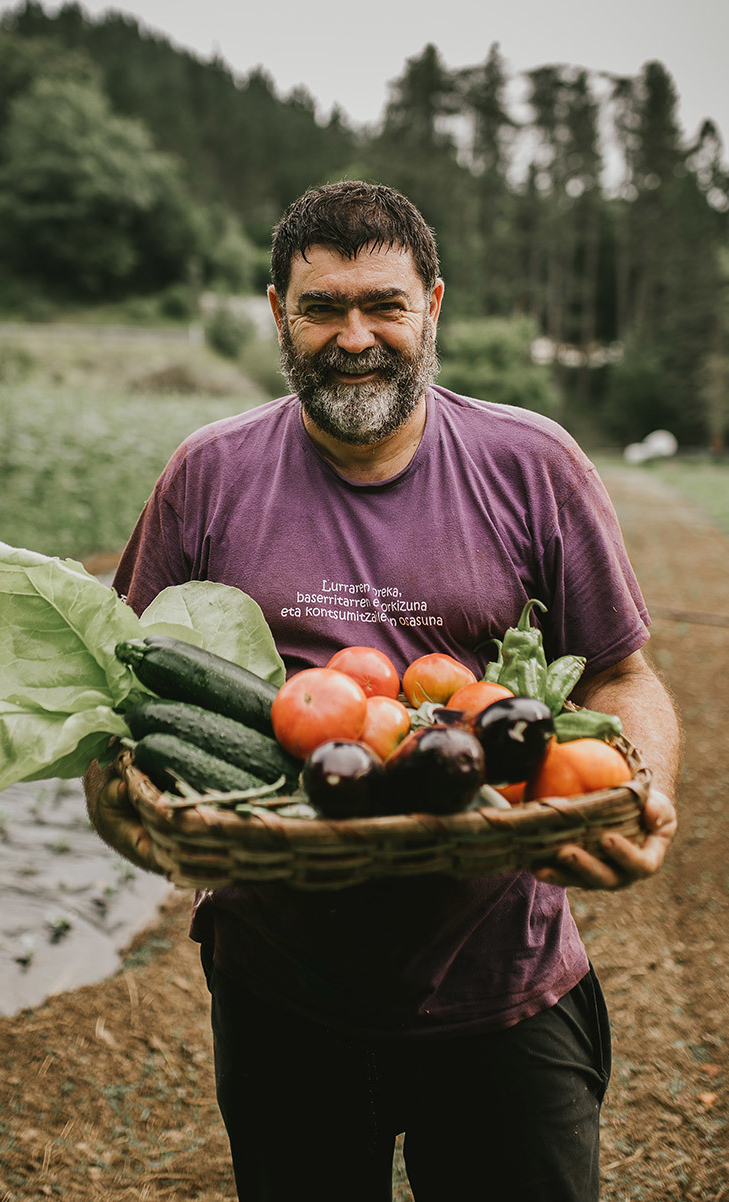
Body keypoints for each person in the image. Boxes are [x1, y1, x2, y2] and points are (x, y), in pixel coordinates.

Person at [85, 180, 679, 1202]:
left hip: (505, 979)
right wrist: (120, 804)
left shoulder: (531, 461)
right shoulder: (207, 474)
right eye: (320, 308)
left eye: (383, 305)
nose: (353, 336)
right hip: (283, 993)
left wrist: (641, 789)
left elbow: (623, 673)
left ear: (431, 306)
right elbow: (120, 694)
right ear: (277, 313)